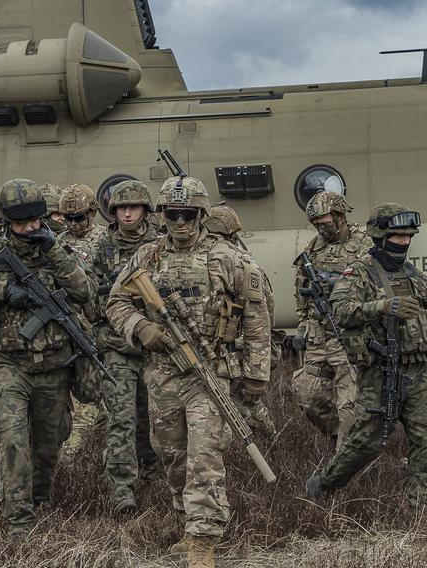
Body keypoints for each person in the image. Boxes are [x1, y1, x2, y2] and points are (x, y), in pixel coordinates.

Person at [106, 174, 271, 568]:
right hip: (163, 373)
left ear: (201, 215)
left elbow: (257, 315)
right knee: (172, 452)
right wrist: (142, 328)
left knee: (203, 453)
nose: (180, 223)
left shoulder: (228, 257)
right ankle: (186, 521)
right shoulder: (147, 257)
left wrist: (256, 374)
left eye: (189, 215)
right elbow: (116, 302)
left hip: (210, 371)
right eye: (173, 215)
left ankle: (204, 538)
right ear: (162, 215)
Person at [304, 203, 427, 508]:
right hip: (380, 372)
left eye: (408, 236)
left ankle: (419, 508)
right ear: (379, 236)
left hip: (418, 374)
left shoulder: (413, 275)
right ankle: (322, 484)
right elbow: (342, 311)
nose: (403, 242)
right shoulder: (360, 272)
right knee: (367, 443)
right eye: (396, 236)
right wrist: (383, 307)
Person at [0, 178, 94, 537]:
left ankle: (40, 501)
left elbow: (84, 292)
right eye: (21, 223)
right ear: (6, 221)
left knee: (49, 446)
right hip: (9, 364)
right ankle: (18, 523)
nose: (30, 228)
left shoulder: (56, 248)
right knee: (13, 441)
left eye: (35, 220)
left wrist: (55, 252)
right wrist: (1, 291)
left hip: (55, 365)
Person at [89, 180, 162, 517]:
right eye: (121, 208)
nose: (128, 213)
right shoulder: (101, 249)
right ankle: (122, 491)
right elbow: (88, 298)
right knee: (121, 420)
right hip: (117, 348)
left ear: (146, 210)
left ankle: (156, 478)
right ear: (113, 212)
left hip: (156, 348)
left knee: (156, 420)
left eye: (134, 207)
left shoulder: (160, 246)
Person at [292, 191, 372, 447]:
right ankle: (347, 441)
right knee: (308, 394)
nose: (320, 228)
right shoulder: (313, 249)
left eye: (324, 222)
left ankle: (344, 462)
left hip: (351, 334)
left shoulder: (364, 244)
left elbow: (377, 283)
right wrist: (303, 325)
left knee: (349, 402)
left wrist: (341, 284)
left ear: (339, 215)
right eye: (316, 224)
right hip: (319, 334)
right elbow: (301, 290)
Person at [204, 203, 278, 434]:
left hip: (235, 351)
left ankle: (268, 448)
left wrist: (255, 369)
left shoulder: (236, 262)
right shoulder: (241, 260)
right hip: (233, 351)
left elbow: (260, 318)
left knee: (243, 409)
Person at [55, 183, 107, 450]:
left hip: (98, 327)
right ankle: (76, 452)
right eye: (68, 218)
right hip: (67, 328)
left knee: (99, 395)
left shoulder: (105, 240)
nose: (73, 224)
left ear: (92, 213)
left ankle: (88, 451)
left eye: (79, 217)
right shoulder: (57, 243)